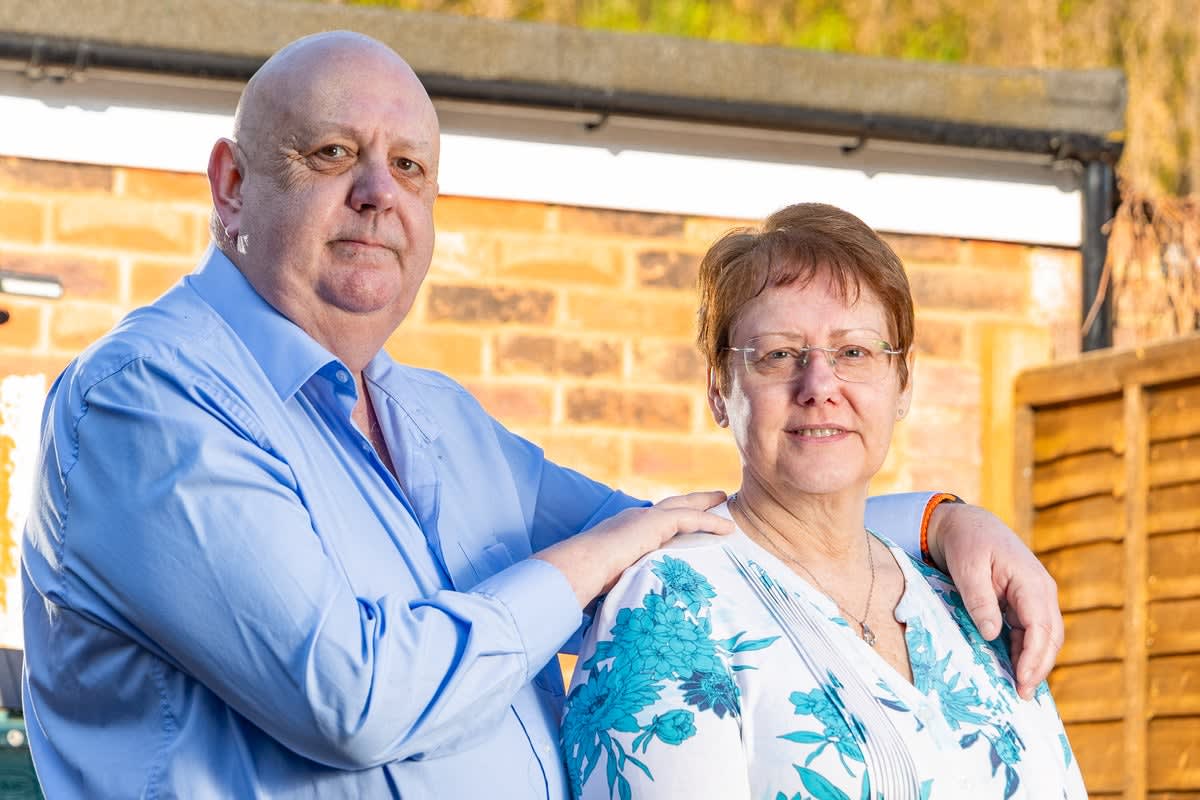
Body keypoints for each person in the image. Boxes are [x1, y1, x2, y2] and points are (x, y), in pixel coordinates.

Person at [20, 32, 1061, 800]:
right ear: (233, 185)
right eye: (334, 153)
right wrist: (598, 554)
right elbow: (349, 697)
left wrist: (933, 520)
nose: (382, 192)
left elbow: (719, 531)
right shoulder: (144, 401)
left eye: (413, 166)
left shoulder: (436, 421)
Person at [562, 203, 1085, 799]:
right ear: (718, 388)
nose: (819, 387)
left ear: (903, 383)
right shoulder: (666, 606)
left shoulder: (966, 604)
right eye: (779, 354)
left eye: (855, 353)